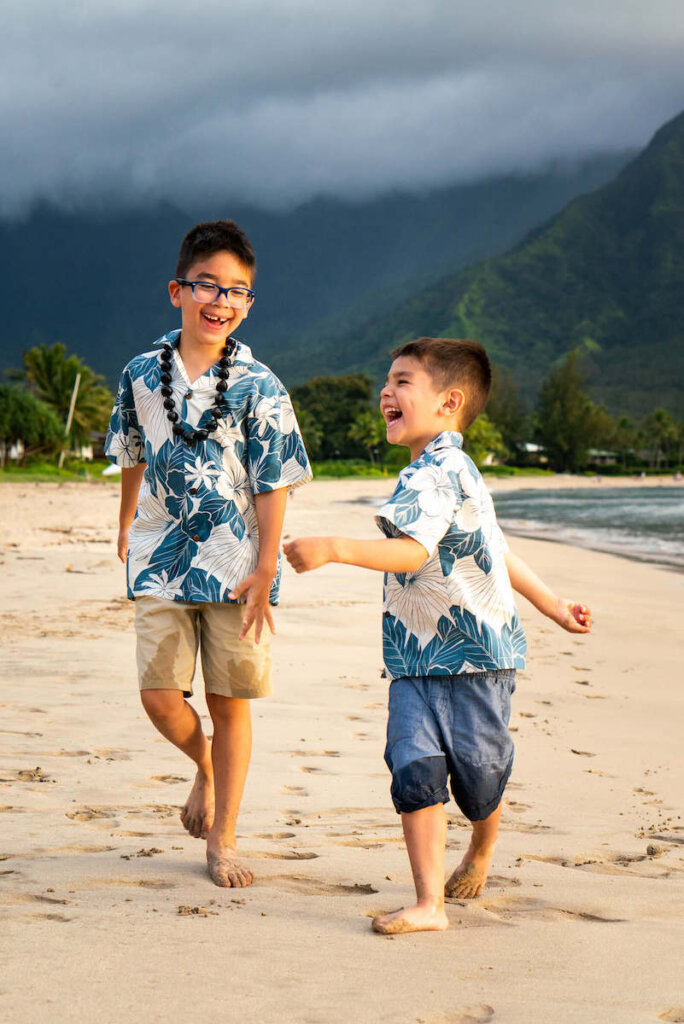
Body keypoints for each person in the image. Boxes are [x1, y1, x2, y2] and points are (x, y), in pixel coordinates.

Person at [284, 337, 591, 934]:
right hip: (415, 658)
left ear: (449, 402)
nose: (386, 392)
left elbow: (426, 551)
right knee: (415, 768)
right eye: (387, 381)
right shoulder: (430, 471)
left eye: (403, 382)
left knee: (479, 778)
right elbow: (489, 550)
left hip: (477, 656)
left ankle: (479, 846)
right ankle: (429, 903)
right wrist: (553, 606)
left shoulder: (444, 471)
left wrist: (334, 548)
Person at [106, 220, 311, 888]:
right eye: (208, 286)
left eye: (238, 292)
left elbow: (273, 478)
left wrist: (266, 564)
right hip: (159, 555)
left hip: (236, 564)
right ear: (178, 290)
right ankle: (206, 765)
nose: (221, 301)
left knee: (231, 702)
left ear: (248, 303)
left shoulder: (260, 385)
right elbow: (133, 455)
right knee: (160, 695)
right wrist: (124, 524)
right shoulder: (141, 374)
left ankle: (222, 841)